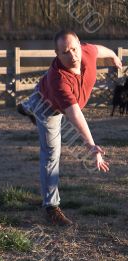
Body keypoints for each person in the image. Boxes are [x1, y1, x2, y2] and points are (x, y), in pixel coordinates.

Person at [17, 30, 122, 226]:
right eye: (65, 52)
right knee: (51, 153)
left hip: (47, 92)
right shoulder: (58, 79)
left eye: (74, 49)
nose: (73, 56)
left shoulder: (86, 52)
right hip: (48, 107)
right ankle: (51, 207)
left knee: (38, 93)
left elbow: (99, 49)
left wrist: (114, 56)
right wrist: (91, 145)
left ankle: (27, 105)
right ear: (57, 54)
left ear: (80, 45)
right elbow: (74, 114)